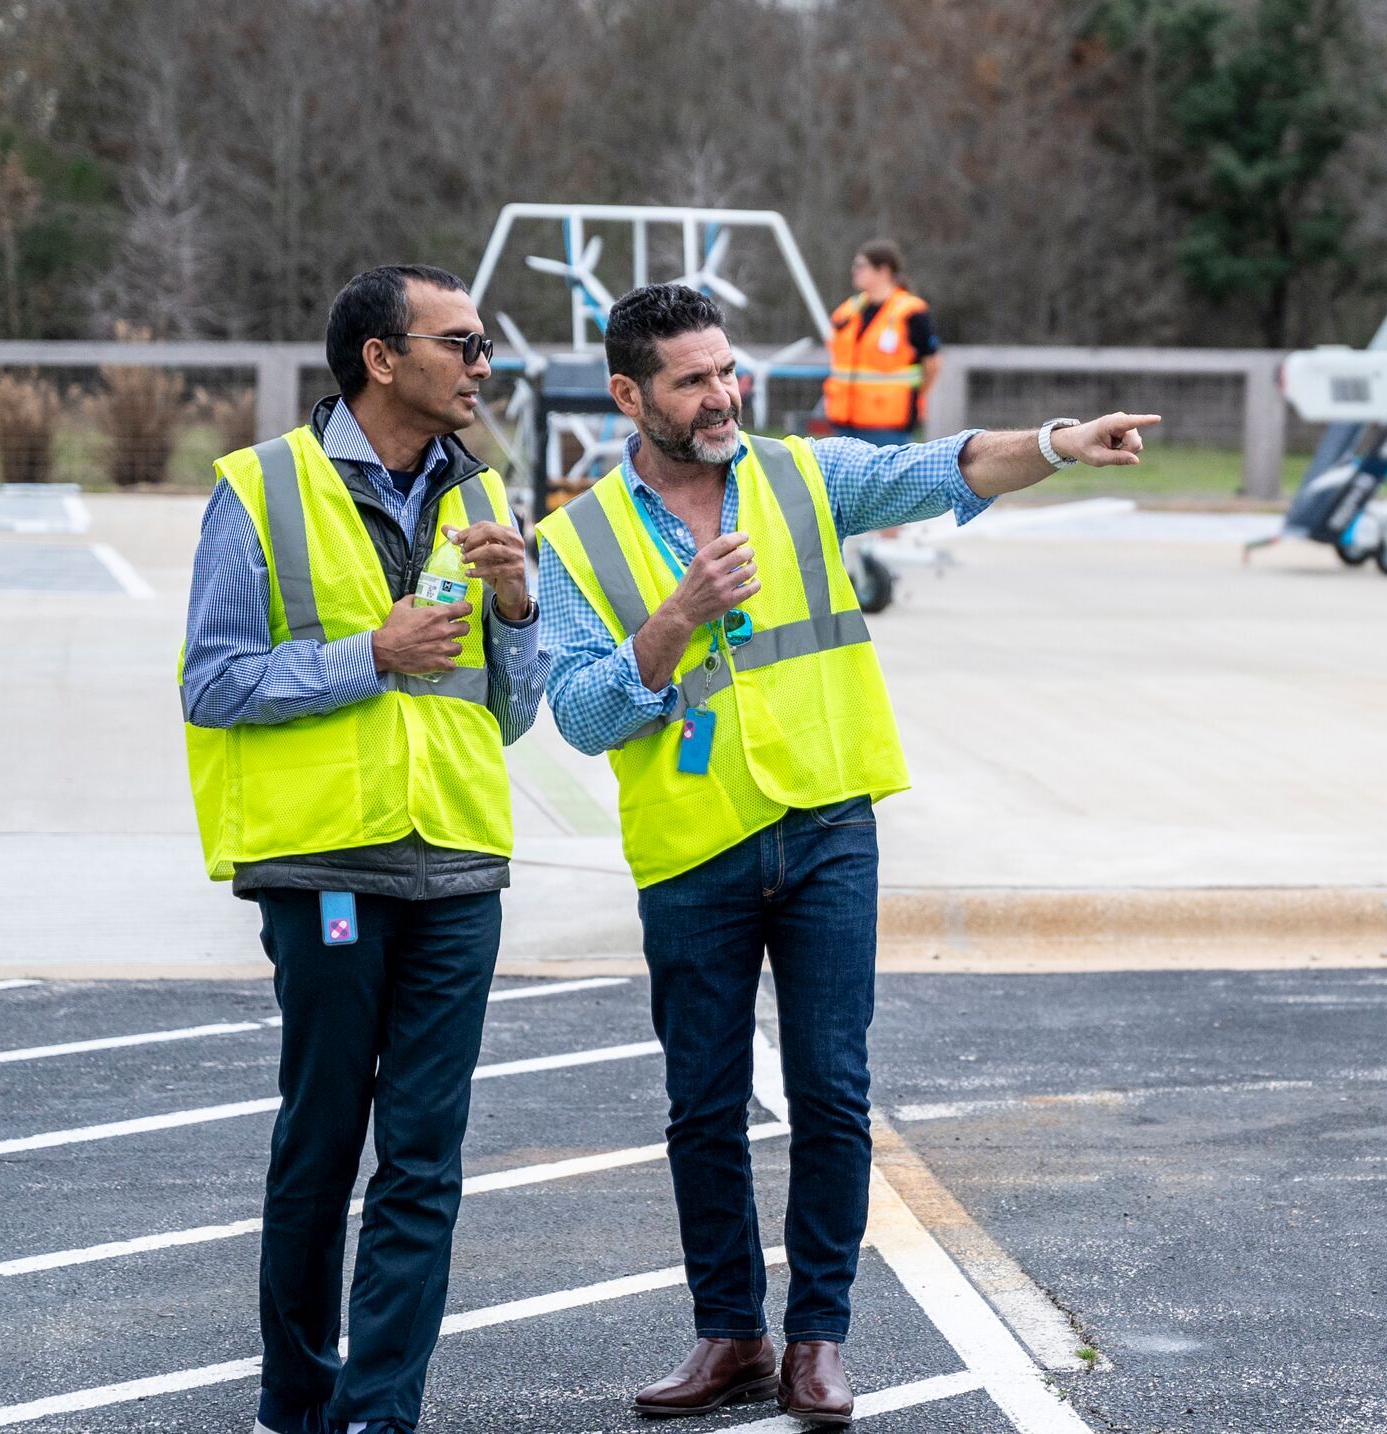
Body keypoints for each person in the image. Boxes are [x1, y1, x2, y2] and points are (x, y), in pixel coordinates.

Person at [536, 283, 1154, 1426]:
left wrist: (1061, 445)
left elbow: (941, 468)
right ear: (629, 395)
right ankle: (729, 1338)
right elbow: (576, 715)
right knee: (702, 1106)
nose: (723, 393)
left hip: (827, 832)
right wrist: (671, 622)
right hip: (691, 853)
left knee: (831, 1094)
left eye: (727, 369)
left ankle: (818, 1338)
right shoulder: (573, 539)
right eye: (692, 379)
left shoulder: (794, 474)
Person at [179, 264, 545, 1434]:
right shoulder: (261, 488)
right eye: (460, 342)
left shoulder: (483, 492)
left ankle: (380, 1417)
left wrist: (522, 609)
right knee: (322, 1152)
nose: (481, 363)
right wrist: (368, 655)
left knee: (425, 1165)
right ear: (381, 359)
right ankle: (297, 1405)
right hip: (326, 867)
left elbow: (512, 709)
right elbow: (214, 682)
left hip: (457, 867)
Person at [820, 238, 937, 445]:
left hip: (888, 426)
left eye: (861, 266)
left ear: (883, 270)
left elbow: (932, 365)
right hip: (844, 421)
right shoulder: (849, 310)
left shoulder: (911, 312)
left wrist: (911, 398)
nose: (854, 271)